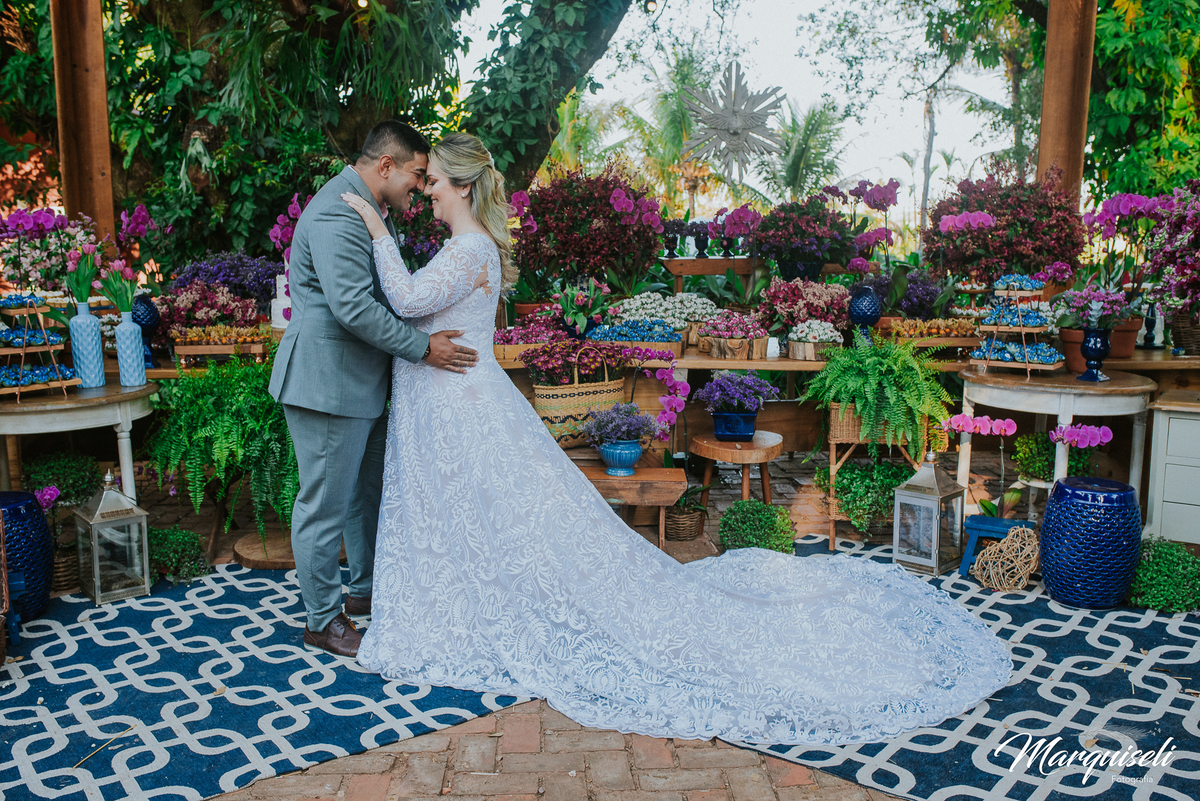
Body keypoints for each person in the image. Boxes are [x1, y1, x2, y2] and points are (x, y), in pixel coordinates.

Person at [341, 131, 1011, 745]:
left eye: (433, 181)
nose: (423, 190)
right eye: (420, 181)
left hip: (461, 406)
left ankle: (488, 612)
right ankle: (462, 606)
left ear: (460, 186)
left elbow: (402, 300)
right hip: (447, 404)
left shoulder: (468, 248)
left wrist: (373, 226)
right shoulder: (465, 247)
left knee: (497, 520)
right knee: (471, 518)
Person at [268, 120, 479, 659]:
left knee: (364, 497)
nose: (420, 185)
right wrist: (422, 346)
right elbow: (354, 308)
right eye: (415, 173)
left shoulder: (365, 208)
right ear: (385, 165)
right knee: (323, 505)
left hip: (358, 382)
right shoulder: (340, 211)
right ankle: (321, 619)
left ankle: (363, 592)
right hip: (327, 382)